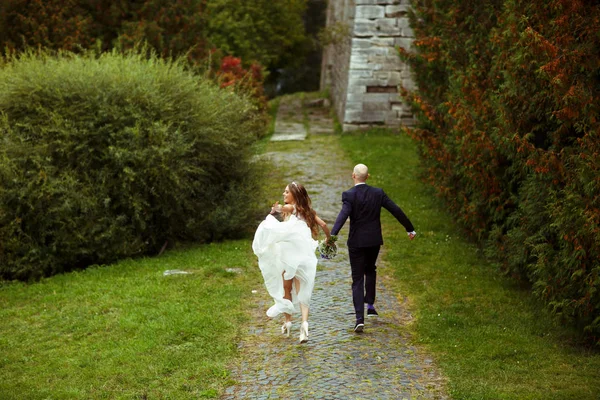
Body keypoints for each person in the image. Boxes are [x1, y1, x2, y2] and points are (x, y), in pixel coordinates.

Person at [331, 164, 416, 333]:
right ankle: (370, 305)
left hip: (356, 242)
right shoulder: (378, 193)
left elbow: (343, 215)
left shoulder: (349, 195)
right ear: (367, 176)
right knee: (370, 269)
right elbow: (395, 209)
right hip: (374, 240)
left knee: (357, 278)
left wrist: (333, 235)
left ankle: (359, 319)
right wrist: (409, 228)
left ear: (353, 176)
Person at [252, 181, 331, 343]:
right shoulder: (308, 211)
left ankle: (288, 322)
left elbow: (286, 208)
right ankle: (304, 324)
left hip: (290, 257)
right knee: (302, 289)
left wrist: (277, 209)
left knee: (286, 287)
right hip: (304, 256)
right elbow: (323, 224)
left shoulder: (293, 209)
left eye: (286, 192)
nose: (284, 194)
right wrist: (329, 240)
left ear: (294, 195)